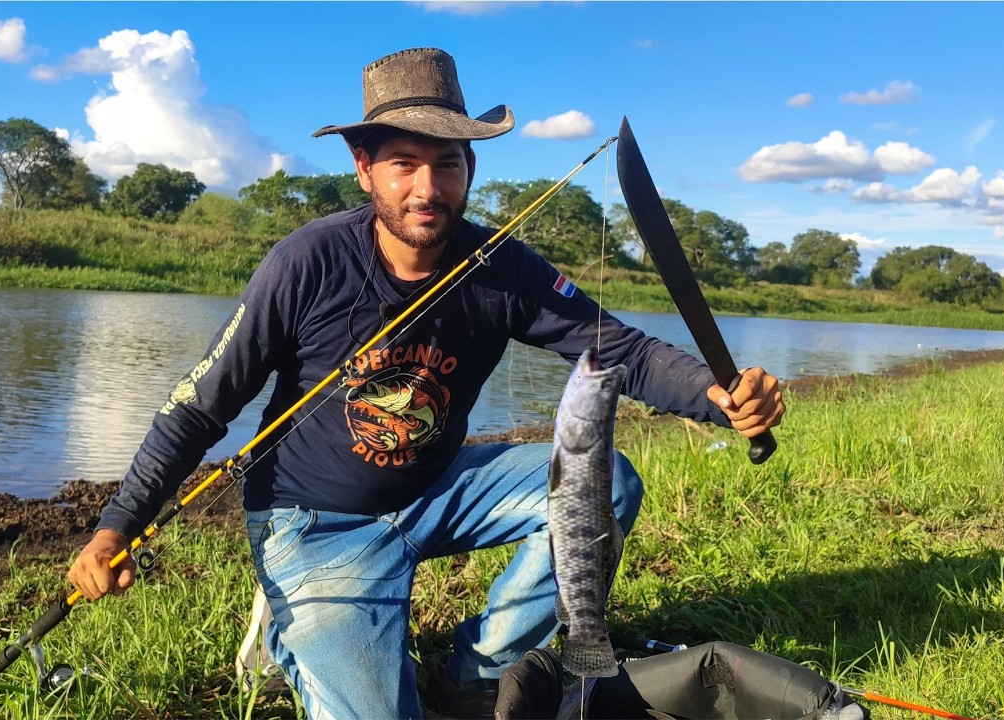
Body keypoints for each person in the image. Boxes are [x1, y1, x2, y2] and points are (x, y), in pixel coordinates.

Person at [68, 47, 785, 719]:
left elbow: (619, 348)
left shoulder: (502, 266)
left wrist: (718, 395)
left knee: (609, 483)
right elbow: (199, 408)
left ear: (470, 167)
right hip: (313, 523)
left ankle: (479, 668)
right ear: (363, 167)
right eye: (403, 163)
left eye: (447, 164)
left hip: (437, 489)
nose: (427, 189)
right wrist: (115, 528)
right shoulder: (306, 262)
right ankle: (297, 629)